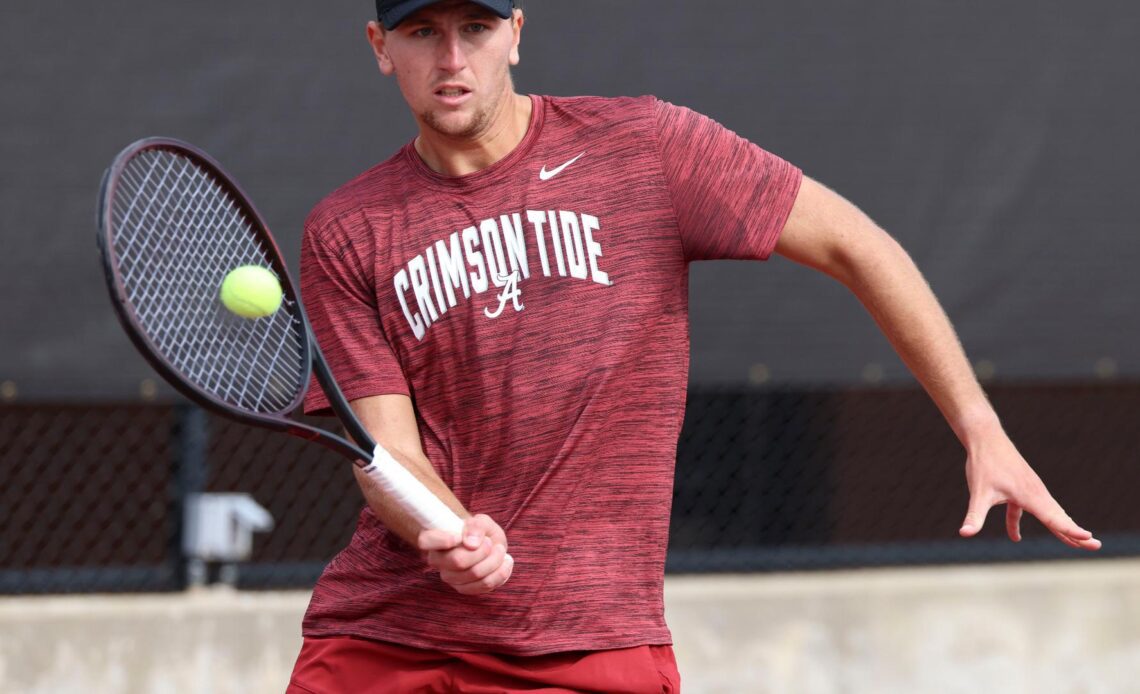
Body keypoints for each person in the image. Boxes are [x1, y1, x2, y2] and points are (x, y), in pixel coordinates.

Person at [286, 1, 1101, 691]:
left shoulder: (646, 148)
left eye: (476, 26)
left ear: (517, 34)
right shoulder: (349, 230)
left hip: (588, 649)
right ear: (380, 48)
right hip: (383, 645)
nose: (453, 56)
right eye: (422, 32)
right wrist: (451, 532)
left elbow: (862, 248)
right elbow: (384, 451)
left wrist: (980, 429)